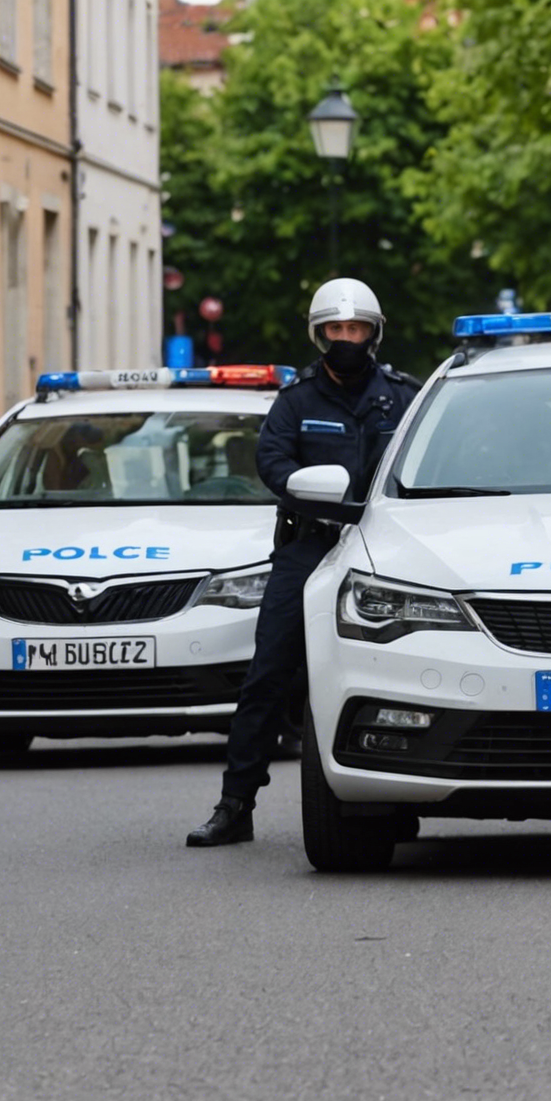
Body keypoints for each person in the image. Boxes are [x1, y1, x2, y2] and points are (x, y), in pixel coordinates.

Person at [186, 278, 422, 847]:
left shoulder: (405, 395)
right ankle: (235, 804)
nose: (347, 339)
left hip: (389, 545)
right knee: (269, 670)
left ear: (373, 332)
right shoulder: (296, 400)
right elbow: (272, 460)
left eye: (356, 329)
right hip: (312, 543)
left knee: (409, 661)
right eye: (336, 330)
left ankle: (404, 791)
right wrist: (305, 487)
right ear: (320, 336)